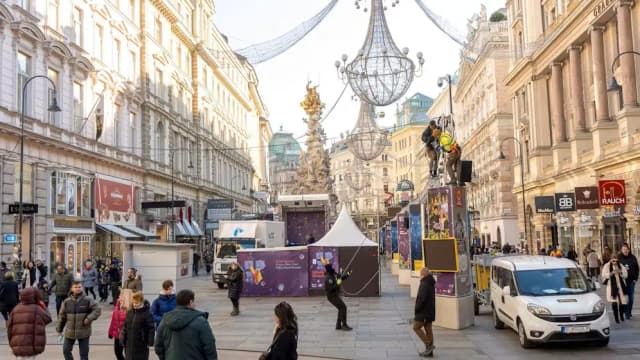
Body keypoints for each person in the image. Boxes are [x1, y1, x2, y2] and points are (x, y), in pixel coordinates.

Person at [154, 289, 218, 360]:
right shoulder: (200, 321)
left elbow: (158, 346)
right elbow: (209, 346)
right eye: (194, 302)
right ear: (190, 302)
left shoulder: (165, 321)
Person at [56, 281, 102, 360]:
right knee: (66, 351)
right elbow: (62, 316)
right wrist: (59, 329)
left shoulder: (88, 299)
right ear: (71, 289)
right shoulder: (67, 302)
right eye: (75, 287)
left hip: (84, 331)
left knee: (84, 355)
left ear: (82, 288)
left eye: (79, 287)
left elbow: (97, 310)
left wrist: (89, 318)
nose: (78, 289)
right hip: (69, 332)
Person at [7, 287, 52, 358]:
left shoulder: (15, 309)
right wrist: (43, 306)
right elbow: (48, 318)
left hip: (17, 344)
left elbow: (9, 327)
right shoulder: (37, 309)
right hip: (31, 344)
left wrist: (11, 343)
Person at [121, 292, 155, 360]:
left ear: (141, 301)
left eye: (137, 303)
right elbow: (125, 327)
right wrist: (122, 338)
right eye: (133, 303)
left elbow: (151, 328)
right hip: (129, 344)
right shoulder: (130, 312)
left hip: (141, 344)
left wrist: (150, 341)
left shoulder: (147, 313)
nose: (135, 305)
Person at [323, 259, 352, 331]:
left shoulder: (333, 274)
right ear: (329, 269)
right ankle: (344, 325)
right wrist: (337, 283)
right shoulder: (328, 278)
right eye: (331, 267)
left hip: (335, 295)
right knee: (343, 307)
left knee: (341, 308)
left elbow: (340, 278)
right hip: (331, 296)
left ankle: (338, 325)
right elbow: (330, 289)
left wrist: (348, 274)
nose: (333, 268)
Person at [413, 267, 436, 357]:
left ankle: (429, 345)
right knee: (428, 330)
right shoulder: (430, 282)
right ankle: (429, 352)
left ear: (422, 275)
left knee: (416, 327)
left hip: (424, 312)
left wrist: (417, 308)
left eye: (420, 274)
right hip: (430, 311)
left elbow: (421, 299)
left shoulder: (424, 284)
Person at [602, 254, 629, 324]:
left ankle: (621, 315)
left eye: (615, 259)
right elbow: (603, 275)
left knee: (622, 303)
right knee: (614, 303)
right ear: (610, 259)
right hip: (612, 287)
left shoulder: (621, 265)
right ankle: (616, 318)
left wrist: (620, 272)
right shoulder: (607, 266)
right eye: (613, 259)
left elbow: (626, 275)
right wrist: (611, 273)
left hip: (620, 286)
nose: (614, 261)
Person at [108, 292, 131, 360]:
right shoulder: (117, 306)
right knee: (117, 352)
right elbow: (113, 321)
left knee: (129, 355)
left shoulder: (131, 308)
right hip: (118, 335)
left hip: (128, 335)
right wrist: (110, 332)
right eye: (119, 296)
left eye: (121, 296)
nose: (119, 298)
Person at [618, 244, 639, 319]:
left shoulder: (633, 257)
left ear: (629, 250)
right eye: (623, 249)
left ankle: (628, 312)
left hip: (631, 281)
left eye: (626, 249)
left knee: (631, 298)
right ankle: (624, 310)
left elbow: (637, 268)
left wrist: (635, 279)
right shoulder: (619, 258)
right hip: (622, 281)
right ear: (621, 250)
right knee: (622, 298)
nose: (625, 251)